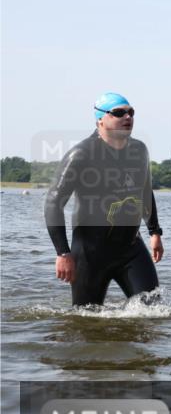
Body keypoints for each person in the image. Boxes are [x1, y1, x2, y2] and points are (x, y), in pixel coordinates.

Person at [44, 92, 164, 306]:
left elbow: (145, 191)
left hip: (131, 249)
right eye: (119, 113)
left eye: (131, 112)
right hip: (90, 254)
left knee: (153, 308)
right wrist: (63, 253)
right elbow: (54, 202)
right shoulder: (82, 154)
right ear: (100, 119)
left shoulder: (139, 150)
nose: (127, 117)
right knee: (85, 321)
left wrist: (154, 232)